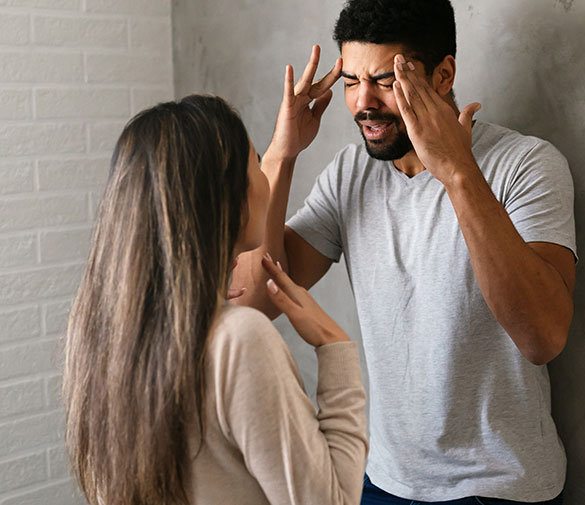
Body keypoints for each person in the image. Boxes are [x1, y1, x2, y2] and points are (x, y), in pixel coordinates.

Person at [232, 0, 577, 503]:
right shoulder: (351, 173)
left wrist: (457, 172)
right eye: (351, 81)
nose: (362, 103)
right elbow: (250, 298)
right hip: (385, 481)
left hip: (498, 487)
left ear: (443, 75)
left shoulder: (526, 164)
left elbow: (542, 336)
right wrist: (281, 154)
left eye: (384, 81)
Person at [62, 95, 368, 505]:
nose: (265, 178)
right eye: (256, 162)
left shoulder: (99, 330)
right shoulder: (239, 339)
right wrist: (335, 346)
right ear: (228, 198)